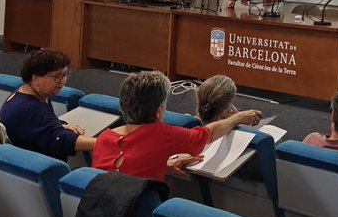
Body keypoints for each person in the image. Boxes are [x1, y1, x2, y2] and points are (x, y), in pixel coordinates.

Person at [92, 71, 261, 182]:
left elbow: (125, 169)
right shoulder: (161, 134)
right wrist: (238, 118)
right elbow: (207, 135)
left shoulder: (103, 138)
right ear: (158, 112)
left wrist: (163, 165)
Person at [0, 49, 95, 160]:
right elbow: (61, 140)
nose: (63, 81)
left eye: (65, 74)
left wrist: (59, 125)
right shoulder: (33, 109)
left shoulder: (23, 92)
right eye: (57, 76)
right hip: (39, 169)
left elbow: (34, 124)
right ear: (36, 78)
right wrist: (102, 143)